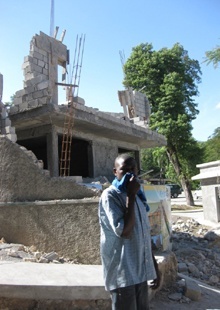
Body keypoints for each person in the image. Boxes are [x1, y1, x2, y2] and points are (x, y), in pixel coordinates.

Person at [98, 153, 161, 310]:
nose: (130, 174)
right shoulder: (110, 195)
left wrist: (154, 267)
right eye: (125, 170)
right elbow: (124, 231)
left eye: (133, 170)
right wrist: (131, 196)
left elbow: (144, 235)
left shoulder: (138, 197)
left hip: (140, 271)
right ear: (115, 172)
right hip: (123, 273)